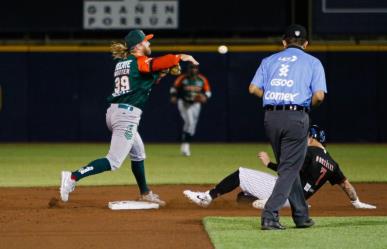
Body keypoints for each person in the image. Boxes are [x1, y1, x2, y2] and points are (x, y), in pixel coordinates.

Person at [59, 29, 199, 206]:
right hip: (126, 116)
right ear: (138, 46)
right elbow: (155, 63)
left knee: (138, 154)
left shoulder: (124, 63)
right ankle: (72, 176)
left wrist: (162, 73)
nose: (149, 44)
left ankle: (145, 193)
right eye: (146, 42)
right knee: (114, 161)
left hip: (115, 112)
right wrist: (180, 57)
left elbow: (143, 78)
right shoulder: (140, 61)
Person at [183, 125, 376, 210]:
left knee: (241, 173)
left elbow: (288, 171)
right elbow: (347, 187)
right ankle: (265, 202)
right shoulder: (333, 164)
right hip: (298, 200)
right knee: (243, 197)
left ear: (312, 137)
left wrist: (268, 163)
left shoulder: (308, 152)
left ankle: (207, 197)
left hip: (284, 193)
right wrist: (357, 203)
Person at [248, 24, 327, 230]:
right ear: (306, 44)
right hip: (296, 117)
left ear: (284, 42)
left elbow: (253, 88)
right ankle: (270, 215)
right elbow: (319, 95)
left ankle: (301, 215)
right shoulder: (313, 62)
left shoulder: (269, 60)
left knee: (287, 167)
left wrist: (275, 98)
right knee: (290, 169)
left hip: (271, 117)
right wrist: (304, 105)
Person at [170, 63, 211, 156]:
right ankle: (185, 146)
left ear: (197, 69)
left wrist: (205, 96)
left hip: (196, 104)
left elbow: (208, 92)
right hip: (184, 102)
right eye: (191, 68)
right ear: (188, 69)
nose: (193, 70)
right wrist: (173, 96)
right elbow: (173, 88)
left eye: (195, 68)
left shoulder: (202, 79)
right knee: (190, 123)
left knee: (192, 126)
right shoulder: (183, 78)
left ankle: (185, 145)